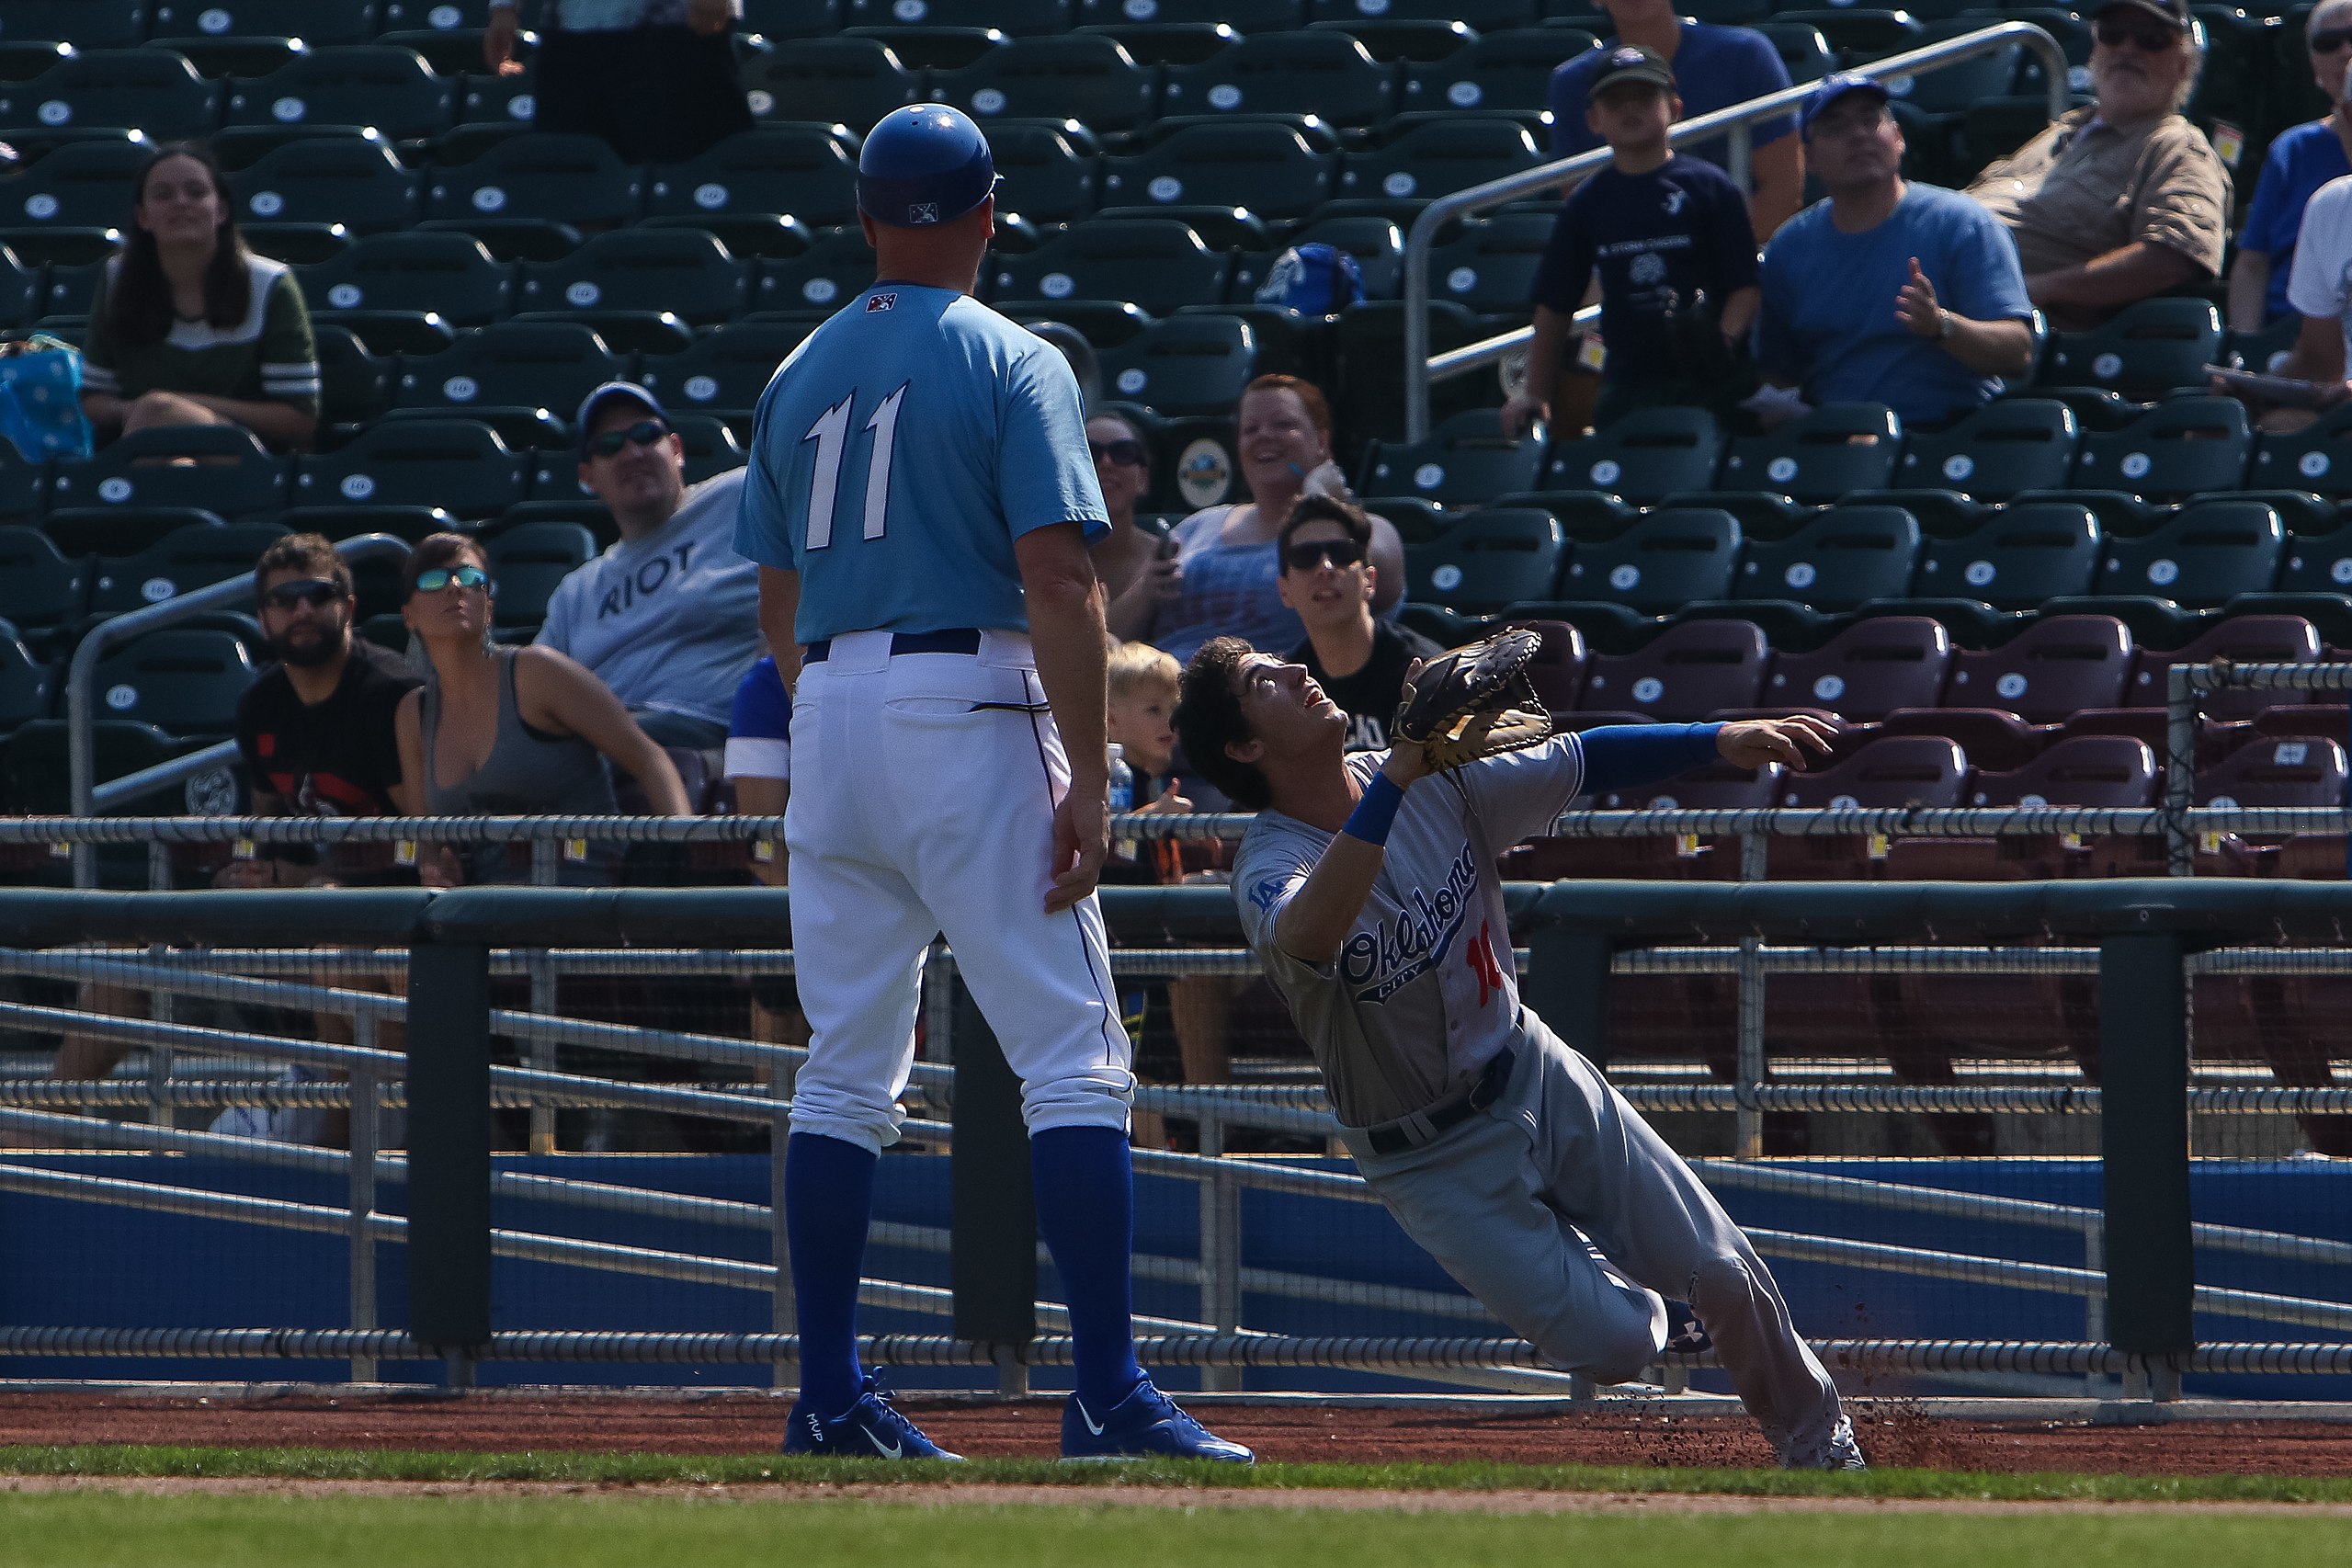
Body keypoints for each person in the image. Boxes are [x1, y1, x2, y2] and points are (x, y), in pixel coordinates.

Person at [733, 104, 1249, 1465]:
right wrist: (1085, 775)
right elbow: (1062, 579)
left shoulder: (795, 369)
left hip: (828, 709)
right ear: (985, 213)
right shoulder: (1010, 355)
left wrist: (834, 715)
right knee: (1074, 1060)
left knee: (843, 1076)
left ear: (864, 218)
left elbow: (775, 599)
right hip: (966, 698)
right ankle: (1103, 1391)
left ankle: (831, 1394)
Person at [1172, 636, 1865, 1470]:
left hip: (1530, 1064)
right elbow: (1308, 930)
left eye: (1277, 663)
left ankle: (1819, 1447)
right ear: (1243, 747)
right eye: (1262, 682)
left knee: (1720, 1268)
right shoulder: (1271, 862)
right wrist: (1392, 778)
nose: (1293, 671)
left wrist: (1714, 740)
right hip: (1430, 1155)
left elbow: (1578, 757)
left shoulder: (1430, 774)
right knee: (1614, 1348)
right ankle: (1640, 1300)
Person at [392, 533, 691, 883]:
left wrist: (682, 868)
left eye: (472, 579)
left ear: (488, 606)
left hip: (583, 901)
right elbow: (427, 841)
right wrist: (437, 872)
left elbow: (650, 759)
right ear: (408, 616)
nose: (456, 588)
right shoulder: (413, 714)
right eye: (433, 580)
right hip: (481, 915)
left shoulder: (538, 673)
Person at [1752, 75, 2037, 429]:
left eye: (1870, 118)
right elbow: (1778, 376)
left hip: (1946, 437)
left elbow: (2018, 351)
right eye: (1835, 126)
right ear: (1809, 158)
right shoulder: (1789, 247)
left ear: (1898, 138)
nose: (1857, 135)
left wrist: (1941, 325)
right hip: (1837, 444)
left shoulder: (1962, 223)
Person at [1504, 46, 1761, 437]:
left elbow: (1745, 284)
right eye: (1615, 100)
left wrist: (1722, 344)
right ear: (1593, 120)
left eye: (1644, 96)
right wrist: (1535, 394)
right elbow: (1554, 306)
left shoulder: (1710, 188)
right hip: (1628, 385)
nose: (1630, 108)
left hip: (1716, 386)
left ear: (1675, 108)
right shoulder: (1587, 203)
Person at [1965, 0, 2231, 332]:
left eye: (2151, 39)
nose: (2128, 49)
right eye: (2113, 35)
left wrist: (2037, 287)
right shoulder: (2058, 133)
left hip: (1994, 319)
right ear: (2094, 50)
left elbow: (2174, 257)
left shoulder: (2176, 146)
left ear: (2184, 64)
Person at [1108, 375, 1407, 665]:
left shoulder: (1370, 530)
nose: (1264, 435)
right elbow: (1108, 638)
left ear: (1321, 442)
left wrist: (1322, 505)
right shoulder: (1195, 527)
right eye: (1250, 429)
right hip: (1160, 697)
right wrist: (1144, 590)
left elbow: (1376, 569)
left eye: (1283, 424)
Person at [534, 383, 762, 750]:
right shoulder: (575, 592)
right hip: (606, 741)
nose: (632, 452)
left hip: (709, 729)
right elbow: (532, 690)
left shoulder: (741, 496)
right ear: (587, 477)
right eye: (609, 446)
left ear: (675, 449)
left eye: (645, 434)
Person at [80, 142, 319, 451]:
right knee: (171, 457)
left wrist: (181, 407)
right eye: (163, 195)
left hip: (247, 457)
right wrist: (131, 410)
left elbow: (300, 422)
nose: (180, 202)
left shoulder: (270, 283)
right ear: (143, 217)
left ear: (221, 210)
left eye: (196, 192)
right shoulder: (117, 277)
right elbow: (94, 398)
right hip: (152, 447)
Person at [1546, 0, 1803, 240]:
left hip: (1740, 270)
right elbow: (1583, 213)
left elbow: (1783, 189)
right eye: (1616, 100)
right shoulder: (1571, 83)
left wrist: (1722, 266)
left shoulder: (1747, 55)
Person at [483, 0, 755, 166]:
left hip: (676, 28)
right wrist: (503, 7)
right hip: (572, 31)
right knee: (579, 180)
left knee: (681, 174)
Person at [1278, 496, 1441, 754]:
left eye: (1342, 553)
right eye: (1305, 557)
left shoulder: (1425, 675)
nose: (1326, 568)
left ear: (1370, 581)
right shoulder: (1286, 689)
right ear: (1284, 590)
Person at [2227, 0, 2352, 335]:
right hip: (2286, 334)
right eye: (2328, 43)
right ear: (2314, 66)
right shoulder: (2292, 149)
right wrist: (2247, 348)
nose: (2346, 51)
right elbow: (2253, 264)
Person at [1085, 411, 1161, 606]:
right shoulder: (1053, 562)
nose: (1106, 463)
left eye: (1123, 453)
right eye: (1089, 452)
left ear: (1143, 479)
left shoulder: (1166, 559)